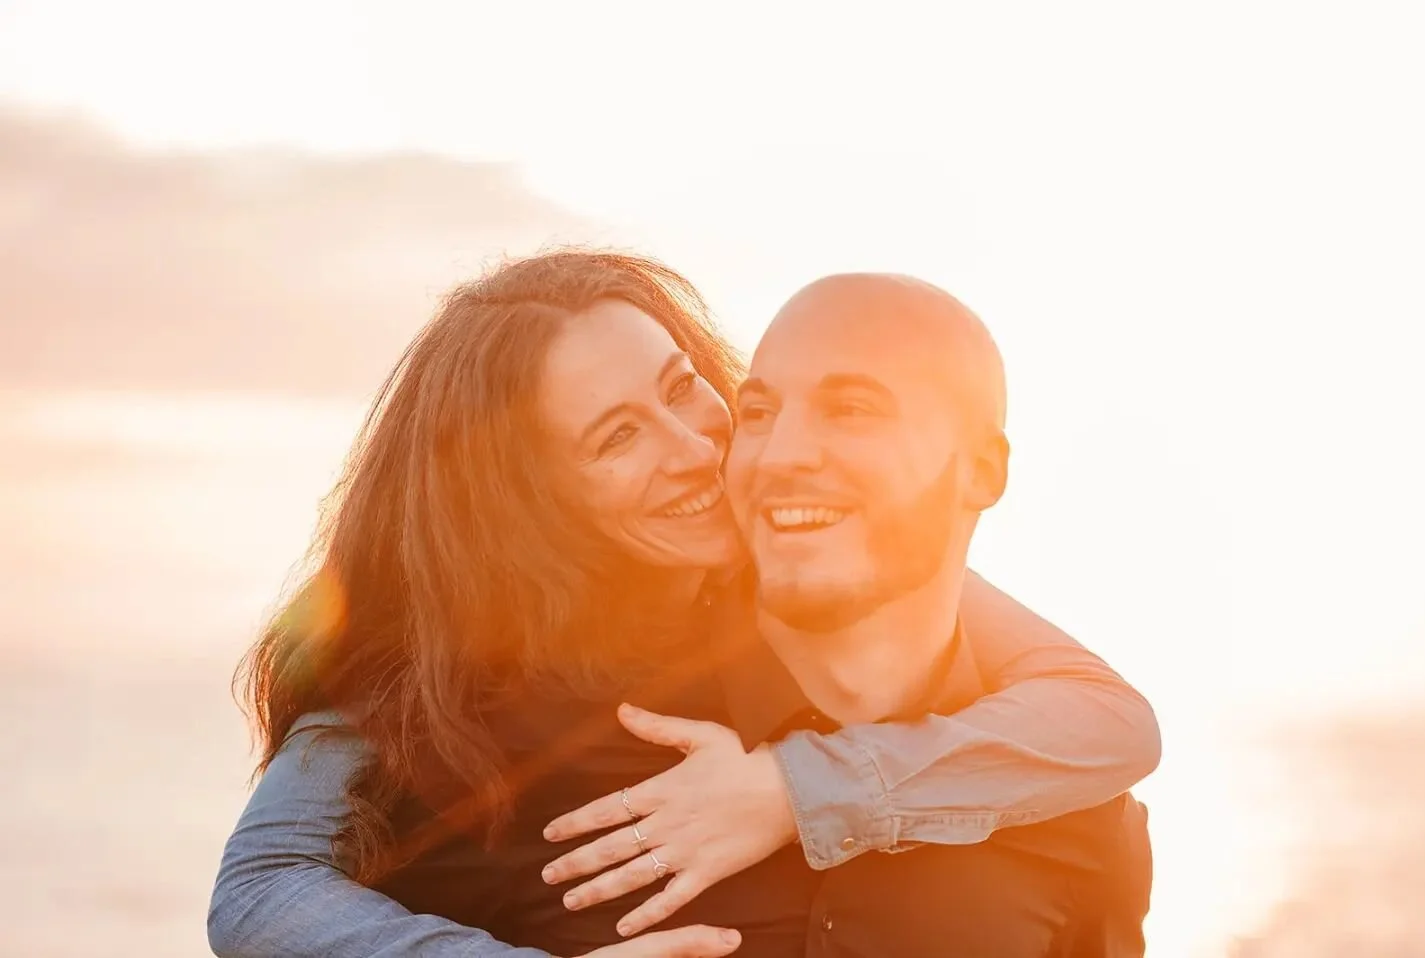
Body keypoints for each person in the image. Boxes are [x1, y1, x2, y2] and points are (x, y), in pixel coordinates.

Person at [208, 252, 1158, 958]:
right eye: (618, 438)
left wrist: (799, 789)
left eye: (685, 390)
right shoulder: (455, 700)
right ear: (534, 502)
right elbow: (260, 893)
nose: (696, 450)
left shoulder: (812, 538)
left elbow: (1106, 720)